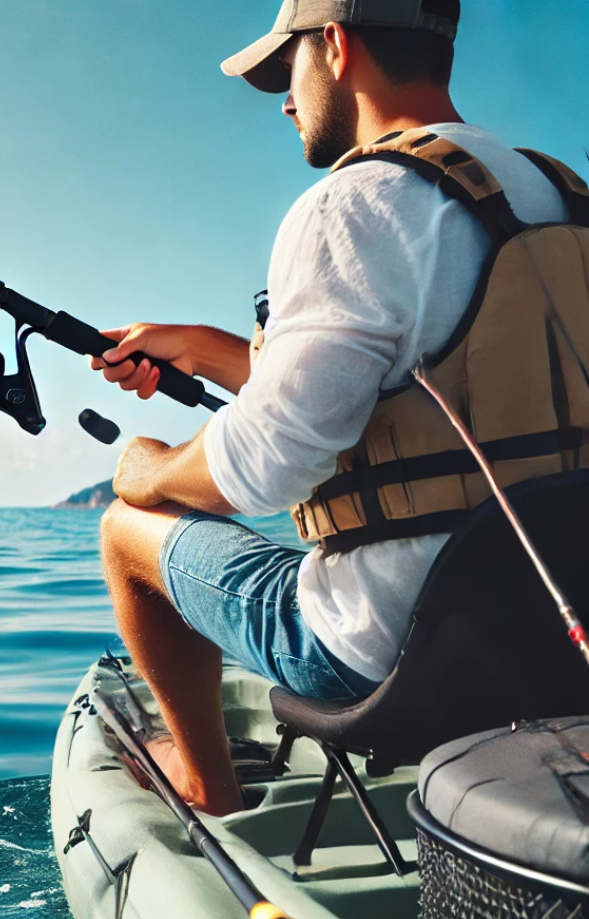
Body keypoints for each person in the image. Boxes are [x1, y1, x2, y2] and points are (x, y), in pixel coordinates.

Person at [94, 0, 577, 816]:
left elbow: (266, 467)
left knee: (123, 530)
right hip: (565, 631)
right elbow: (463, 389)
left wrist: (149, 471)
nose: (285, 101)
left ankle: (205, 785)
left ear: (337, 46)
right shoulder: (560, 195)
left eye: (289, 72)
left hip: (396, 651)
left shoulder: (352, 205)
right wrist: (216, 350)